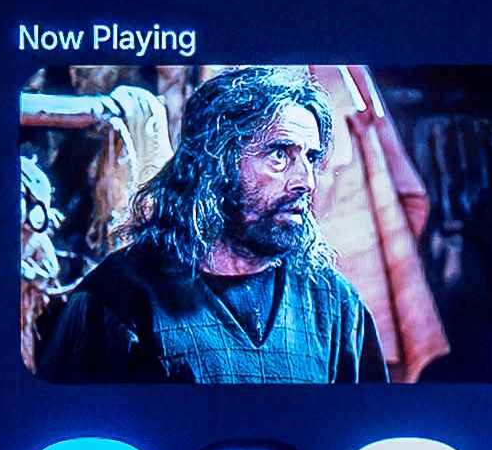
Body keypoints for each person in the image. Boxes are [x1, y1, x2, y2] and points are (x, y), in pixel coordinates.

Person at [31, 65, 385, 385]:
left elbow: (367, 426)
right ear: (216, 165)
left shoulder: (334, 304)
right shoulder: (117, 298)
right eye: (280, 155)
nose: (306, 181)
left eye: (311, 158)